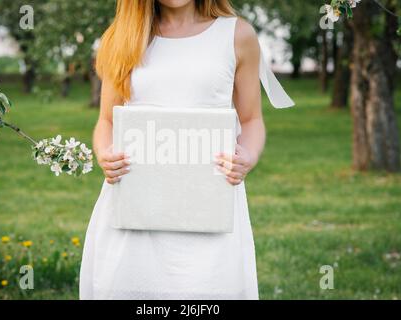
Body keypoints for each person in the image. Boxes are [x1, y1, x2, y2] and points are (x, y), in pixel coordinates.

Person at [80, 0, 293, 300]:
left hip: (209, 205)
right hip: (136, 203)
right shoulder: (122, 37)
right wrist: (104, 152)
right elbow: (106, 121)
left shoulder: (237, 35)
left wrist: (248, 155)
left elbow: (251, 119)